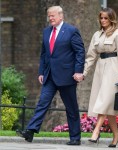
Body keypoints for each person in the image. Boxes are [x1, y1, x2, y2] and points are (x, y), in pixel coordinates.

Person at [16, 6, 85, 145]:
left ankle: (75, 138)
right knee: (42, 103)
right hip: (50, 76)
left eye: (53, 15)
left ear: (61, 15)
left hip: (67, 76)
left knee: (71, 108)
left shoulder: (71, 31)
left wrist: (78, 71)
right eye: (49, 16)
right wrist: (41, 71)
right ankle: (30, 131)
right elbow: (44, 54)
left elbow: (80, 52)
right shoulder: (46, 32)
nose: (50, 18)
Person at [74, 7, 118, 148]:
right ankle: (116, 137)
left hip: (113, 69)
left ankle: (96, 131)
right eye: (101, 18)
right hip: (100, 70)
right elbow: (91, 56)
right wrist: (84, 73)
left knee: (104, 101)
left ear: (111, 19)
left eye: (106, 18)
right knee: (107, 106)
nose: (103, 20)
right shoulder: (97, 35)